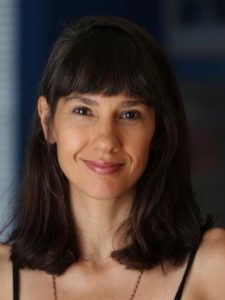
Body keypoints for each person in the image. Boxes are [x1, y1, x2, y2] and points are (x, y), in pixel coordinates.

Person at [0, 15, 225, 300]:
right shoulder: (3, 278)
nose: (106, 140)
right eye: (83, 111)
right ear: (48, 121)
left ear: (157, 130)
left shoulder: (215, 266)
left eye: (130, 115)